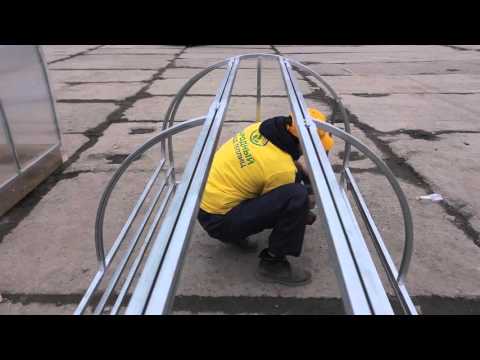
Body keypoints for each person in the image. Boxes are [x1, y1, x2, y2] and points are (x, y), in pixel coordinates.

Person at [197, 108, 334, 286]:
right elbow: (283, 201)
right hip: (219, 222)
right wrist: (304, 208)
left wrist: (304, 174)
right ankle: (273, 263)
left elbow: (284, 161)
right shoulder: (280, 171)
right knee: (297, 197)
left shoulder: (260, 129)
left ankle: (235, 234)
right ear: (301, 142)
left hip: (201, 204)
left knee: (281, 188)